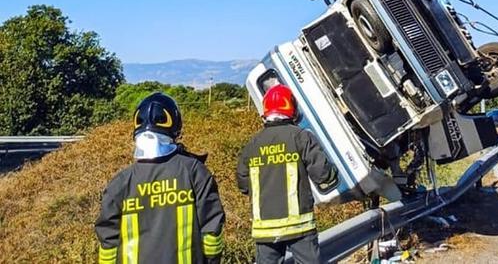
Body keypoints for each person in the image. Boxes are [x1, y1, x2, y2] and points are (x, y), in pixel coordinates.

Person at [95, 92, 225, 264]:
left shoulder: (120, 183)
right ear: (175, 127)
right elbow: (212, 232)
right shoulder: (194, 172)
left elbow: (108, 245)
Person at [237, 84, 338, 264]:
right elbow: (323, 175)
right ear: (292, 108)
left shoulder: (252, 145)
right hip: (299, 228)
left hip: (265, 230)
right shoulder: (301, 137)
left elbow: (243, 185)